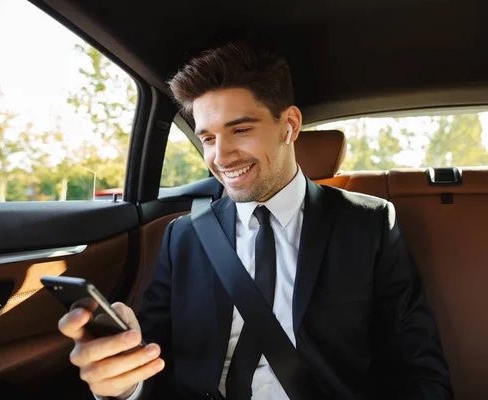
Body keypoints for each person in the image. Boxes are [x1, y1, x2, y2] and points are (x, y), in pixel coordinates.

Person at [57, 43, 453, 399]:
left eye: (241, 129)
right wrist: (124, 382)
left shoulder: (367, 223)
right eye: (207, 138)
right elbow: (155, 360)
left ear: (290, 126)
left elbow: (418, 368)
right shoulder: (185, 236)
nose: (222, 156)